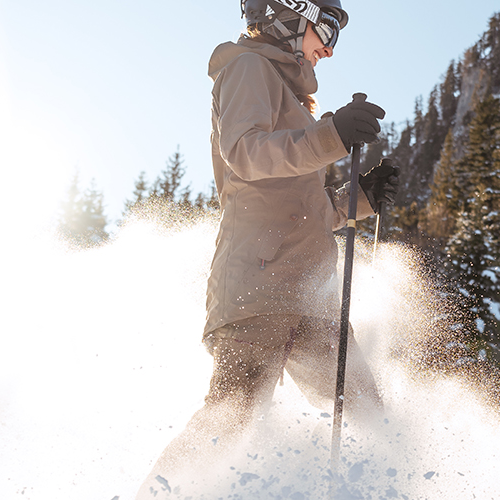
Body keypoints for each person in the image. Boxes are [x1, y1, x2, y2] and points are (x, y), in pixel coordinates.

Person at [141, 0, 398, 494]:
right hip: (258, 287)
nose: (328, 46)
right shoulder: (247, 67)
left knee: (368, 412)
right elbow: (246, 154)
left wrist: (360, 197)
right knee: (231, 417)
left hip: (306, 290)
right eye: (326, 29)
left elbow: (299, 209)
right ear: (287, 13)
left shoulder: (291, 97)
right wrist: (332, 137)